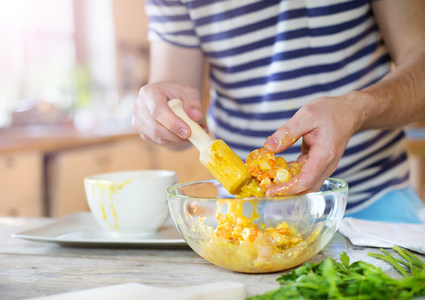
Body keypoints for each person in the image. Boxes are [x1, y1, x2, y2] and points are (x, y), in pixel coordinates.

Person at [131, 0, 425, 223]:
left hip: (376, 201)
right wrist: (160, 114)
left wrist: (357, 110)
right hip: (247, 215)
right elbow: (174, 100)